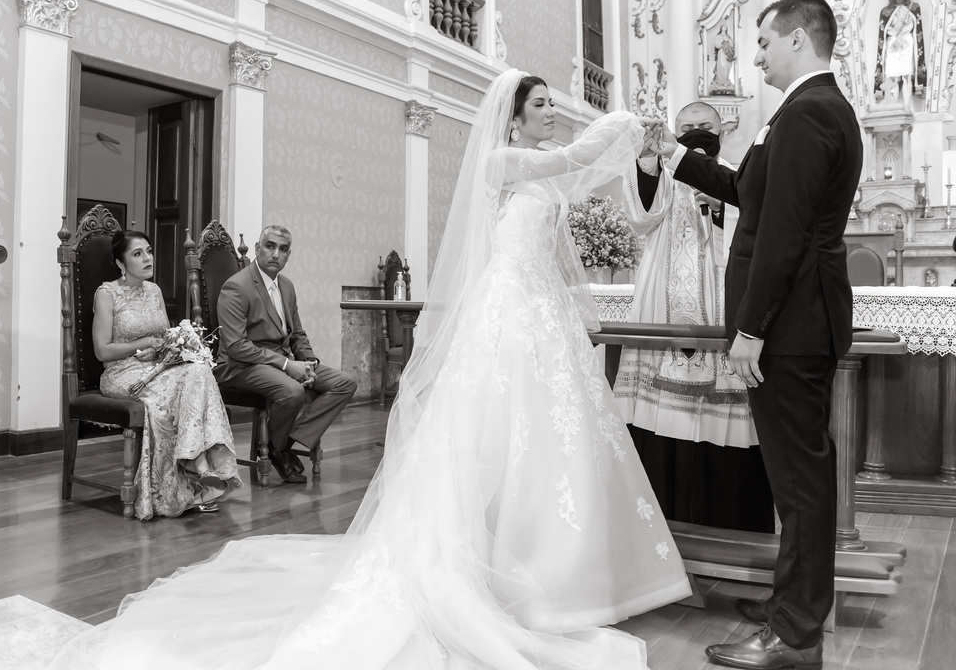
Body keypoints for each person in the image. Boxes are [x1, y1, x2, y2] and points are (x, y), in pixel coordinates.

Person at [51, 71, 690, 670]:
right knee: (500, 430)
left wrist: (644, 163)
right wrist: (623, 121)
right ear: (514, 119)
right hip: (509, 313)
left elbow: (593, 190)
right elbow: (575, 156)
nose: (552, 112)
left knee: (550, 437)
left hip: (540, 313)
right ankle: (493, 562)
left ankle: (567, 570)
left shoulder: (545, 175)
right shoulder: (503, 161)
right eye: (541, 104)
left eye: (553, 103)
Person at [656, 0, 862, 669]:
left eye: (766, 42)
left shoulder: (809, 113)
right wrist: (675, 156)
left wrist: (751, 328)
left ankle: (795, 635)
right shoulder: (805, 110)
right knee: (794, 478)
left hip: (791, 324)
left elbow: (783, 232)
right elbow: (751, 194)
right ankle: (790, 606)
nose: (756, 56)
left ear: (799, 38)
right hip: (796, 319)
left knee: (800, 481)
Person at [615, 101, 774, 533]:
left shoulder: (737, 174)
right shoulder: (661, 173)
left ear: (722, 132)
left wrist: (723, 207)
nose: (696, 132)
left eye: (705, 126)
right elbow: (640, 218)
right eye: (686, 127)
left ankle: (731, 525)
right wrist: (647, 161)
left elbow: (760, 227)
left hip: (725, 295)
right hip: (662, 302)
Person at [92, 230, 242, 518]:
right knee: (177, 391)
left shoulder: (154, 291)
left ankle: (196, 465)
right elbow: (102, 351)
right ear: (121, 263)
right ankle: (195, 471)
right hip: (122, 373)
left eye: (149, 251)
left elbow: (163, 337)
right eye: (137, 254)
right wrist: (144, 343)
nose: (147, 258)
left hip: (156, 367)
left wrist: (162, 349)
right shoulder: (107, 294)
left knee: (198, 370)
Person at [213, 224, 357, 483]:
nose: (276, 254)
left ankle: (282, 442)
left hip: (279, 362)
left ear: (289, 254)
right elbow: (236, 346)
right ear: (257, 248)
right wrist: (287, 366)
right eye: (270, 247)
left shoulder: (287, 287)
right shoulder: (236, 286)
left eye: (283, 249)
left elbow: (297, 333)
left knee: (345, 383)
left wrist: (308, 361)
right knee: (292, 391)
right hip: (239, 366)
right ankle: (280, 448)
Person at [875, 0, 926, 104]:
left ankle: (907, 107)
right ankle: (894, 107)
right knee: (893, 78)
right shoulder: (885, 11)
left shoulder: (914, 7)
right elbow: (884, 28)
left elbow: (915, 25)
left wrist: (903, 33)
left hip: (907, 42)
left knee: (907, 76)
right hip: (893, 43)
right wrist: (895, 35)